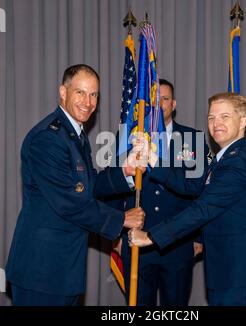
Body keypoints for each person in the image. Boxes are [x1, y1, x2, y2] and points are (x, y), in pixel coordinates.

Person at [5, 64, 145, 306]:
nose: (88, 102)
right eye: (80, 92)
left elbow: (86, 185)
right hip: (41, 271)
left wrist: (125, 171)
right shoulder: (48, 138)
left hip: (63, 268)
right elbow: (69, 203)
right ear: (63, 91)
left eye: (94, 95)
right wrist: (121, 219)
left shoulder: (74, 134)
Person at [129, 92, 246, 306]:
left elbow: (202, 209)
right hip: (230, 273)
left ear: (243, 122)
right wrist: (151, 157)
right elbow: (190, 184)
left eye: (225, 116)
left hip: (243, 276)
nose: (216, 123)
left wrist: (151, 237)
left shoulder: (237, 163)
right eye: (211, 117)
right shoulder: (225, 158)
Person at [95, 79, 210, 305]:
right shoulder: (129, 137)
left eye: (165, 99)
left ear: (174, 104)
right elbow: (114, 188)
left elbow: (200, 191)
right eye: (153, 101)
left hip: (179, 242)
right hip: (136, 241)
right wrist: (116, 232)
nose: (159, 105)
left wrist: (198, 236)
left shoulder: (192, 138)